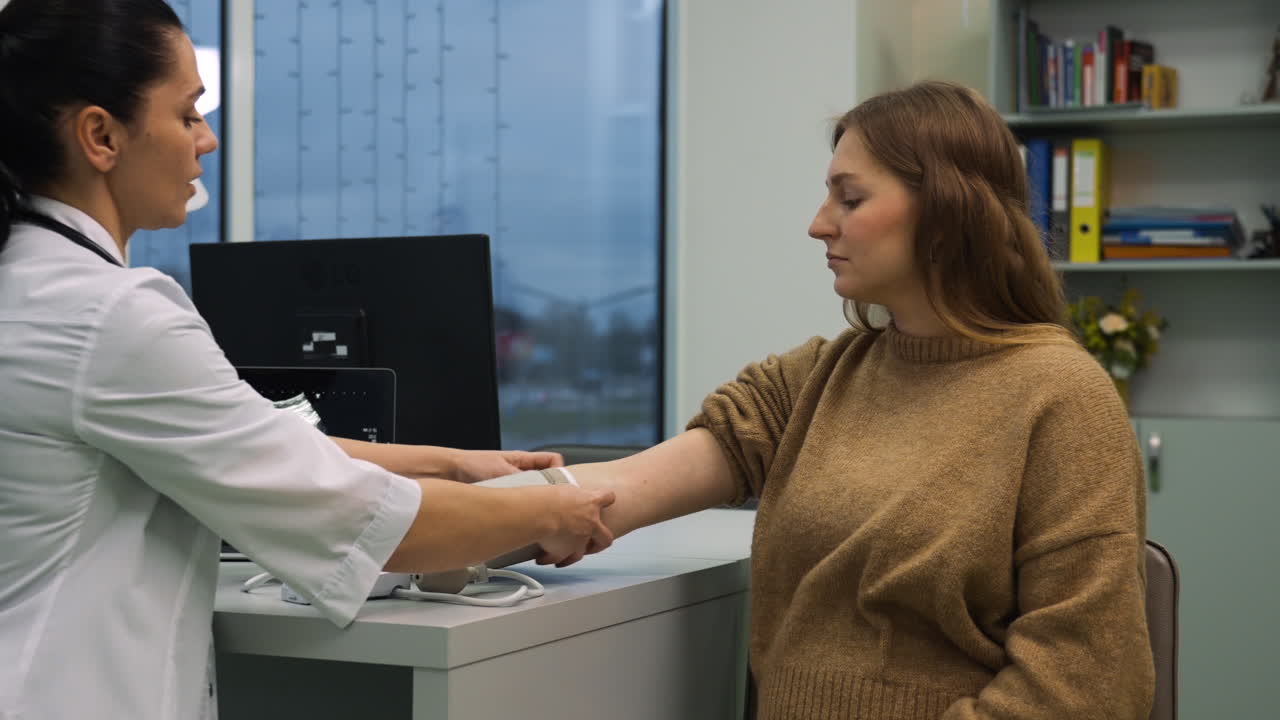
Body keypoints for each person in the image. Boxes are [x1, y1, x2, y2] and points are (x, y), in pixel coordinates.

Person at [0, 2, 613, 718]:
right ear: (101, 135)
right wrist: (545, 514)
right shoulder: (110, 316)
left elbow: (255, 442)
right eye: (189, 113)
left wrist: (451, 462)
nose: (208, 140)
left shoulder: (35, 283)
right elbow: (374, 524)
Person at [553, 81, 1155, 718]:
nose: (818, 224)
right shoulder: (815, 377)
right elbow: (617, 491)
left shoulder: (1063, 399)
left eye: (850, 197)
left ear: (949, 213)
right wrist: (453, 498)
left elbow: (1089, 682)